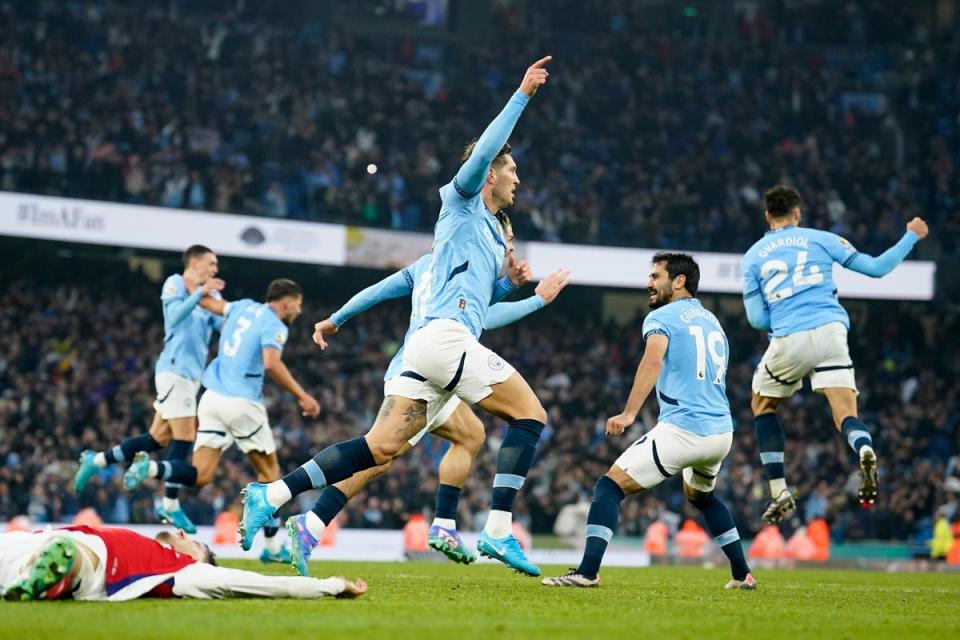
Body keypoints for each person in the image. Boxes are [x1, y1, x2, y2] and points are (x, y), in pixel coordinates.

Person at [239, 56, 553, 577]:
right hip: (444, 341)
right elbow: (486, 151)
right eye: (512, 169)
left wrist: (510, 283)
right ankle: (496, 531)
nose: (517, 179)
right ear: (492, 169)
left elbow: (480, 303)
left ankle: (271, 494)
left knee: (378, 448)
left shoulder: (495, 234)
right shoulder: (462, 200)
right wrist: (521, 95)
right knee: (531, 416)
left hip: (431, 349)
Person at [287, 218, 570, 575]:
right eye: (507, 241)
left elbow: (379, 291)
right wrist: (535, 300)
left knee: (465, 436)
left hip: (418, 363)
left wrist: (336, 318)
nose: (509, 250)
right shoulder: (469, 261)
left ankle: (442, 527)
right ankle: (304, 515)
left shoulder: (426, 266)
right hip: (423, 368)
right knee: (379, 453)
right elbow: (484, 318)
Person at [542, 253, 755, 590]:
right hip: (721, 432)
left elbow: (653, 359)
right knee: (702, 497)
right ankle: (742, 574)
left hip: (685, 429)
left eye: (656, 276)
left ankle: (587, 571)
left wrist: (629, 413)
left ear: (679, 281)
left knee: (608, 486)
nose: (648, 283)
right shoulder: (712, 320)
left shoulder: (664, 316)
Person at [742, 185, 929, 524]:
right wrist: (910, 237)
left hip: (789, 335)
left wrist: (782, 319)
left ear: (767, 216)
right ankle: (864, 448)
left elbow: (756, 319)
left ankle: (779, 490)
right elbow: (876, 269)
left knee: (762, 405)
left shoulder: (753, 255)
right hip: (831, 331)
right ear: (798, 214)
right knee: (844, 412)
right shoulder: (822, 239)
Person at [124, 279, 320, 563]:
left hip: (211, 399)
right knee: (270, 476)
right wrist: (303, 396)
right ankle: (273, 546)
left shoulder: (241, 307)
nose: (298, 311)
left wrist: (196, 287)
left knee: (201, 475)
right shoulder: (274, 325)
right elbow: (271, 363)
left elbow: (207, 303)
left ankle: (152, 467)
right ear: (287, 301)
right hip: (242, 403)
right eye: (298, 305)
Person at [74, 245, 225, 533]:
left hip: (191, 377)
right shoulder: (175, 283)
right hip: (174, 371)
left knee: (157, 439)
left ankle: (97, 459)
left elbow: (222, 322)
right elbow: (174, 318)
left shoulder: (211, 294)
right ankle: (169, 505)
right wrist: (199, 293)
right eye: (211, 263)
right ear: (194, 263)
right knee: (184, 437)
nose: (215, 269)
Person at [0, 526, 365, 601]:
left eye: (193, 541)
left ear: (200, 558)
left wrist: (330, 585)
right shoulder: (150, 542)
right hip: (35, 541)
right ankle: (33, 577)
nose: (180, 533)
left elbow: (264, 584)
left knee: (73, 552)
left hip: (89, 561)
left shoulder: (188, 571)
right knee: (39, 548)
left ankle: (51, 574)